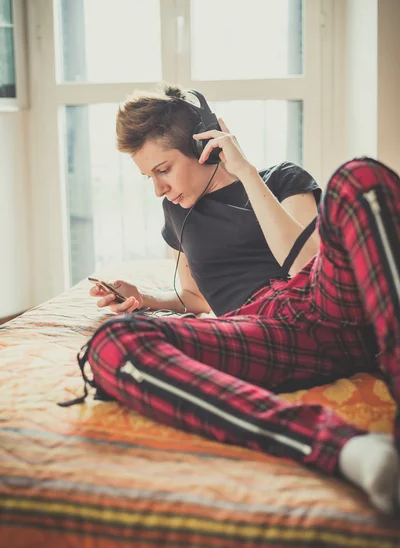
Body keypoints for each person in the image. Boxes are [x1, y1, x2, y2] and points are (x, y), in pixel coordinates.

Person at [87, 83, 400, 515]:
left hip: (329, 301)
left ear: (205, 146)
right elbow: (195, 297)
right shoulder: (177, 211)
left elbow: (305, 264)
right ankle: (352, 453)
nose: (158, 189)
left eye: (163, 170)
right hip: (264, 330)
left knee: (359, 176)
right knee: (111, 343)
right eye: (148, 178)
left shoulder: (283, 179)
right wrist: (146, 298)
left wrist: (247, 172)